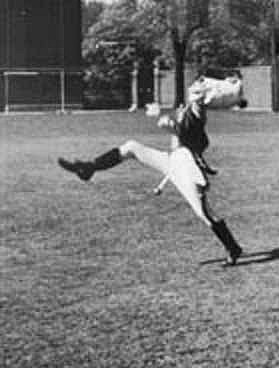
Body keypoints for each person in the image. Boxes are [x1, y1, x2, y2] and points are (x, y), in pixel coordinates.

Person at [57, 78, 243, 266]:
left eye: (198, 90)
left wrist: (170, 125)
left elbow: (189, 131)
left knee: (204, 213)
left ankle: (233, 247)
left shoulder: (197, 111)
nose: (194, 88)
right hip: (171, 159)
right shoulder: (187, 109)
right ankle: (89, 168)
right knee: (131, 147)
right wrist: (167, 120)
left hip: (185, 166)